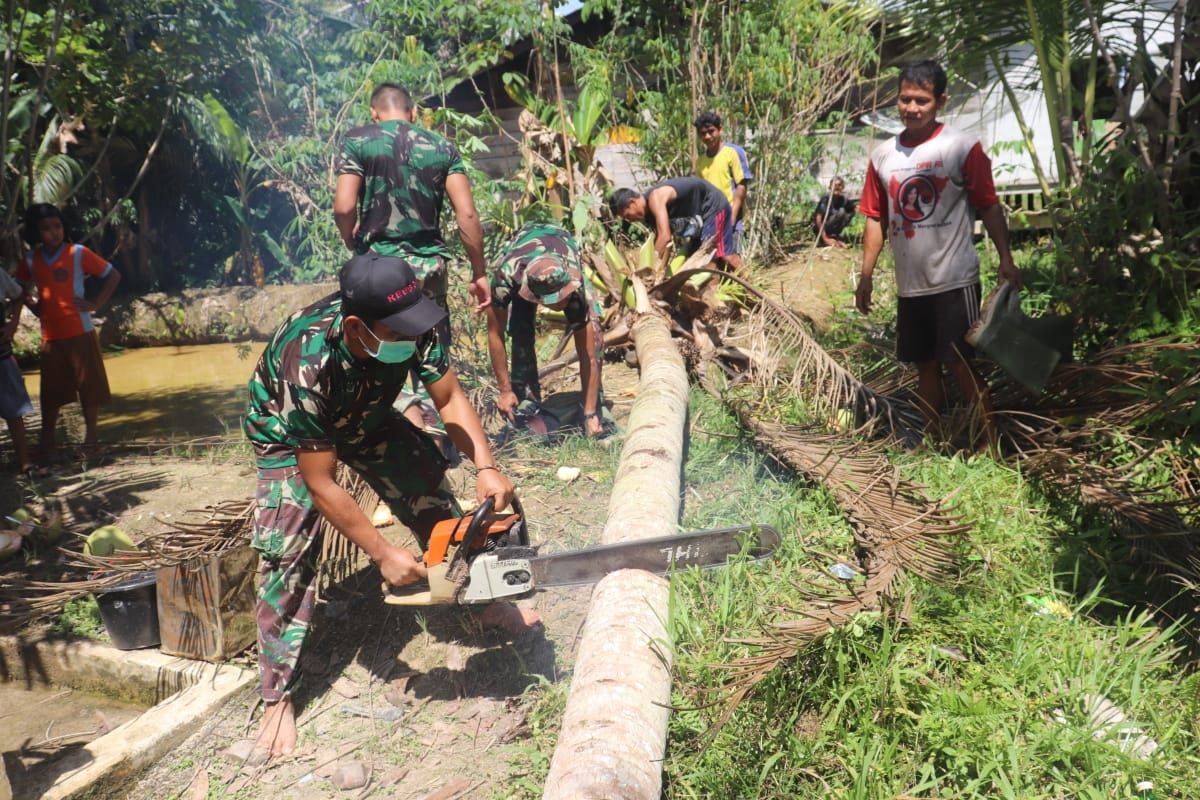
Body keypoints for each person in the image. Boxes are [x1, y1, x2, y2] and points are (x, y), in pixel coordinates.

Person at [243, 252, 514, 758]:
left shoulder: (412, 321)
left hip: (363, 412)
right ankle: (277, 693)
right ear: (355, 327)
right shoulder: (306, 361)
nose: (412, 339)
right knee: (290, 540)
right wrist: (381, 552)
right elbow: (321, 482)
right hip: (288, 433)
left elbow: (450, 398)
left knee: (429, 488)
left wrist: (486, 466)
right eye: (398, 333)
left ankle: (485, 597)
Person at [855, 59, 1021, 444]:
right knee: (924, 367)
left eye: (922, 101)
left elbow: (989, 205)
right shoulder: (883, 156)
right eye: (905, 99)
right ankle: (933, 443)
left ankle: (990, 444)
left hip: (954, 279)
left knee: (961, 364)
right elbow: (875, 218)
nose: (912, 108)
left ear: (941, 101)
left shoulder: (961, 147)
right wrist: (865, 277)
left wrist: (1006, 260)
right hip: (910, 286)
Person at [333, 82, 490, 318]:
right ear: (414, 112)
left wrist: (349, 239)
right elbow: (467, 215)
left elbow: (344, 208)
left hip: (377, 267)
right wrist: (479, 272)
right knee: (431, 342)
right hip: (428, 269)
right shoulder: (443, 147)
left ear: (374, 112)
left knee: (376, 343)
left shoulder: (356, 141)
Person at [16, 203, 121, 460]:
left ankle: (91, 439)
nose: (53, 232)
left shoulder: (77, 253)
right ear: (35, 232)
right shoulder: (30, 260)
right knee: (51, 393)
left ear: (64, 227)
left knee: (89, 388)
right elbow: (17, 288)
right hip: (50, 336)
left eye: (57, 226)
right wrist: (33, 306)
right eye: (46, 228)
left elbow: (112, 274)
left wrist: (96, 304)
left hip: (80, 330)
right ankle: (47, 443)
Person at [484, 223, 606, 437]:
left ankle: (594, 403)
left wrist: (589, 414)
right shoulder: (505, 279)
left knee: (594, 337)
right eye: (555, 301)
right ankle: (525, 400)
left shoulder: (573, 279)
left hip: (561, 245)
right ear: (535, 296)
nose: (562, 303)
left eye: (564, 296)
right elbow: (495, 334)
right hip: (523, 248)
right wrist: (504, 391)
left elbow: (589, 355)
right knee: (520, 333)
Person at [609, 177, 744, 272]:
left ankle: (757, 289)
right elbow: (666, 245)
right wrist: (660, 271)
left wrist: (648, 268)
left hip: (713, 206)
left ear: (632, 203)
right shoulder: (649, 217)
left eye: (627, 215)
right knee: (697, 263)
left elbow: (665, 237)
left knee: (719, 258)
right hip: (699, 221)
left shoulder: (655, 198)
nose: (630, 220)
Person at [694, 111, 749, 251]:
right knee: (713, 266)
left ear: (720, 129)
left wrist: (732, 217)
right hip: (711, 222)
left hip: (731, 219)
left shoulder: (733, 153)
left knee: (732, 262)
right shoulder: (700, 162)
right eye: (703, 133)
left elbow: (741, 187)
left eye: (711, 131)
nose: (707, 136)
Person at [0, 266, 36, 473]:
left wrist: (13, 324)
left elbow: (18, 294)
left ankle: (25, 462)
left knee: (14, 410)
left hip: (2, 353)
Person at [813, 176, 856, 247]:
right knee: (841, 212)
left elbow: (855, 208)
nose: (837, 188)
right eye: (834, 185)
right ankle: (825, 238)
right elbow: (818, 219)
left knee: (850, 212)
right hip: (820, 228)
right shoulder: (825, 199)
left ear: (843, 187)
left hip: (831, 225)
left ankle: (834, 236)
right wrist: (825, 238)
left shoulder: (843, 199)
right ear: (830, 187)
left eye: (839, 185)